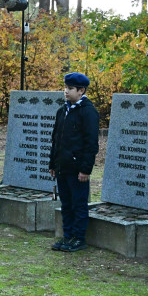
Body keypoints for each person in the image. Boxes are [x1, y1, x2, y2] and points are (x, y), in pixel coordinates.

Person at [49, 72, 100, 252]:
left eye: (70, 89)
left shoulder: (88, 112)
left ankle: (79, 237)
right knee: (66, 204)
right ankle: (67, 235)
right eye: (65, 88)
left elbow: (91, 143)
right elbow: (56, 139)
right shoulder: (62, 111)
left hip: (77, 168)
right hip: (63, 166)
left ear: (81, 90)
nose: (66, 91)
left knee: (78, 204)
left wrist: (85, 169)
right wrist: (52, 164)